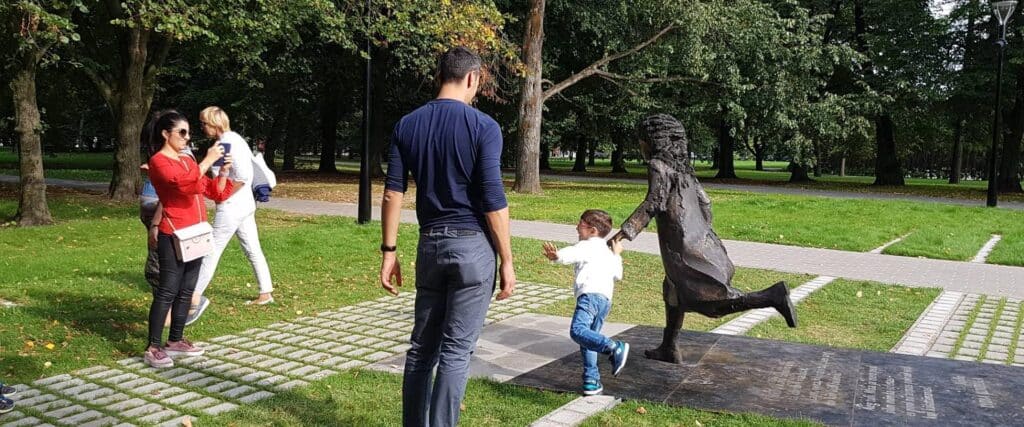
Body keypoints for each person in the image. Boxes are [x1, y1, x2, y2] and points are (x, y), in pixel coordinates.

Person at [379, 46, 515, 427]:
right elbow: (493, 199)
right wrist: (507, 259)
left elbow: (393, 192)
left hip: (430, 245)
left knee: (421, 349)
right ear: (472, 78)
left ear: (441, 76)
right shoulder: (484, 127)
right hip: (473, 247)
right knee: (456, 352)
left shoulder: (407, 124)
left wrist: (389, 251)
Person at [144, 109, 235, 368]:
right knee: (167, 290)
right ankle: (153, 346)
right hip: (173, 233)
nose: (186, 138)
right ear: (165, 134)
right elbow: (183, 185)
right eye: (181, 132)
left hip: (195, 233)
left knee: (186, 290)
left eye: (188, 133)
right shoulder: (159, 161)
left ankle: (175, 340)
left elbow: (210, 192)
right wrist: (206, 161)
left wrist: (223, 173)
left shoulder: (186, 161)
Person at [187, 106, 274, 325]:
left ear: (214, 123)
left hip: (232, 206)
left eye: (204, 123)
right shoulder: (235, 140)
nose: (202, 127)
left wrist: (221, 196)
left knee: (211, 252)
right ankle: (265, 292)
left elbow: (242, 177)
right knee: (253, 248)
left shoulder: (225, 144)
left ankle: (193, 297)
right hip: (244, 205)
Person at [542, 210, 630, 396]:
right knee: (588, 340)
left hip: (589, 297)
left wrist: (556, 256)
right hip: (605, 301)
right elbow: (618, 274)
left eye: (580, 224)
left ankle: (615, 347)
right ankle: (592, 381)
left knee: (578, 331)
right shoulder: (608, 252)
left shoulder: (587, 246)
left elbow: (572, 253)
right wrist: (617, 254)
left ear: (593, 231)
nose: (576, 227)